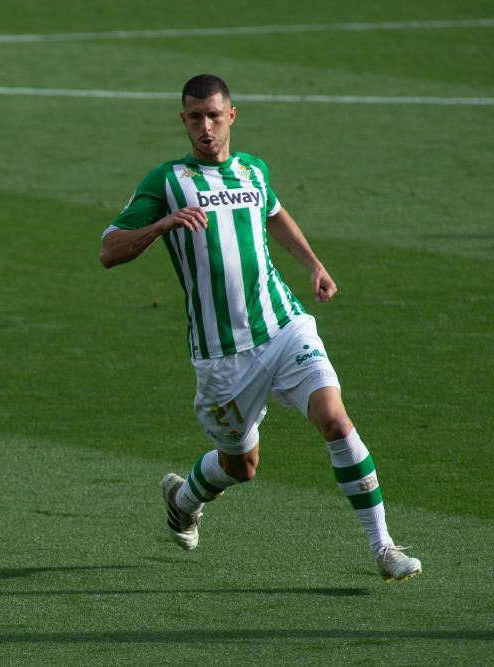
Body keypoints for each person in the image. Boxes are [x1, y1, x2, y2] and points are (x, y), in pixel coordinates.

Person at [99, 74, 420, 583]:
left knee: (334, 419)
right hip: (222, 356)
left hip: (284, 325)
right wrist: (162, 225)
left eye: (214, 115)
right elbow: (109, 250)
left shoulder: (252, 169)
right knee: (240, 466)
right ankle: (183, 500)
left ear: (232, 115)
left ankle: (382, 546)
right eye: (194, 117)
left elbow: (273, 212)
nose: (205, 127)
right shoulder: (166, 181)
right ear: (182, 121)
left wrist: (314, 264)